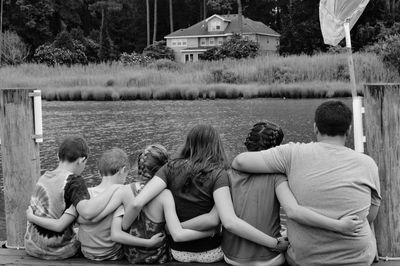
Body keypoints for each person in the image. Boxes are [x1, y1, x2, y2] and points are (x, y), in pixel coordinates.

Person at [232, 101, 381, 266]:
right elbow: (370, 216)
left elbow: (240, 162)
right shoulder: (368, 164)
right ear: (349, 129)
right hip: (358, 259)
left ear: (315, 127)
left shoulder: (293, 153)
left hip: (304, 260)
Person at [120, 125, 289, 263]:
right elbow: (216, 220)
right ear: (216, 145)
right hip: (212, 252)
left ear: (189, 143)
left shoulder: (169, 167)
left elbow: (137, 203)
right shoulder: (219, 173)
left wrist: (124, 228)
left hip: (178, 252)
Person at [94, 144, 216, 264]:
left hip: (132, 256)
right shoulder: (165, 195)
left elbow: (119, 231)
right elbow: (175, 233)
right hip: (158, 257)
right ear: (164, 168)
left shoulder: (124, 190)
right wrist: (210, 232)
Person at [24, 136, 121, 260]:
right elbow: (87, 212)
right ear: (82, 160)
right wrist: (114, 189)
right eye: (85, 163)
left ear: (58, 156)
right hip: (57, 251)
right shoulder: (74, 181)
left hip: (32, 246)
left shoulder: (44, 177)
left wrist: (32, 218)